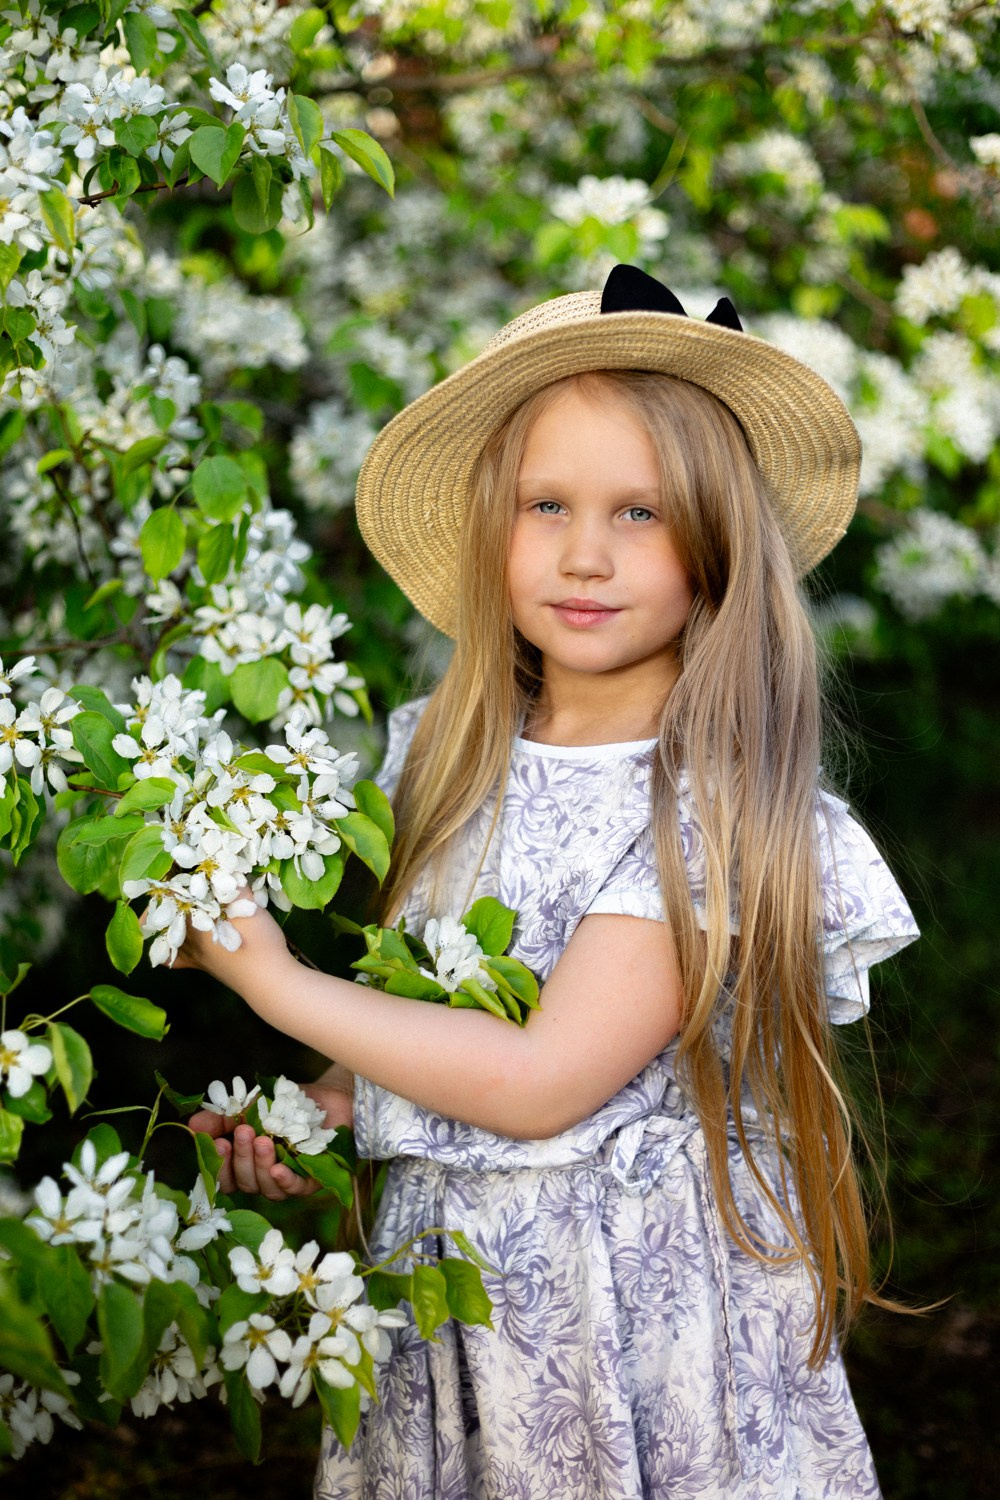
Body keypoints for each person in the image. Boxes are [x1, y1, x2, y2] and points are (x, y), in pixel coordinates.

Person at [180, 265, 919, 1498]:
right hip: (450, 1320)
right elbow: (450, 1022)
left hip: (633, 1334)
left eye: (640, 513)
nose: (584, 555)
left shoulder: (716, 804)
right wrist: (329, 1108)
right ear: (493, 523)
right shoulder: (441, 749)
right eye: (545, 506)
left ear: (718, 544)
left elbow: (536, 1084)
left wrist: (272, 980)